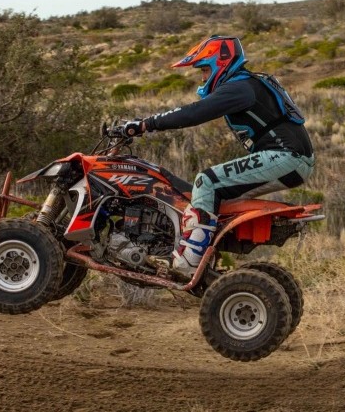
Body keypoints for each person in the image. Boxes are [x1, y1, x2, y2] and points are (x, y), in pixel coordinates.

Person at [122, 35, 315, 278]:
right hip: (291, 158)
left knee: (207, 181)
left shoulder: (240, 86)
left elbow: (195, 112)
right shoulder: (248, 84)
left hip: (286, 157)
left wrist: (145, 124)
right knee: (211, 200)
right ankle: (205, 259)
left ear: (220, 63)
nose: (202, 77)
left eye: (204, 70)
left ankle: (188, 264)